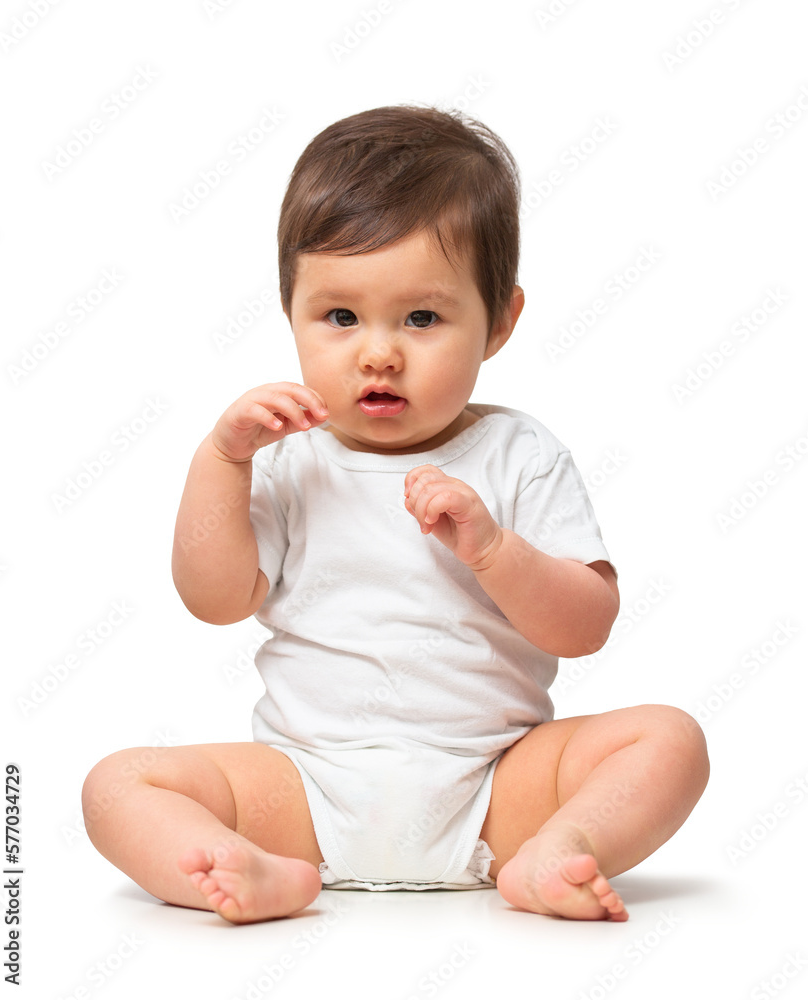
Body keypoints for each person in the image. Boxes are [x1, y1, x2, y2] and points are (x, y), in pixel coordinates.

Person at [82, 105, 709, 924]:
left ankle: (556, 848)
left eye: (422, 318)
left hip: (494, 787)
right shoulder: (287, 458)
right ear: (291, 311)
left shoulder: (520, 454)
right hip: (305, 790)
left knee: (669, 739)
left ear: (500, 321)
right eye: (341, 317)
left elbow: (585, 627)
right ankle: (254, 868)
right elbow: (214, 599)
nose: (379, 353)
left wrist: (495, 552)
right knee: (117, 785)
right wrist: (222, 462)